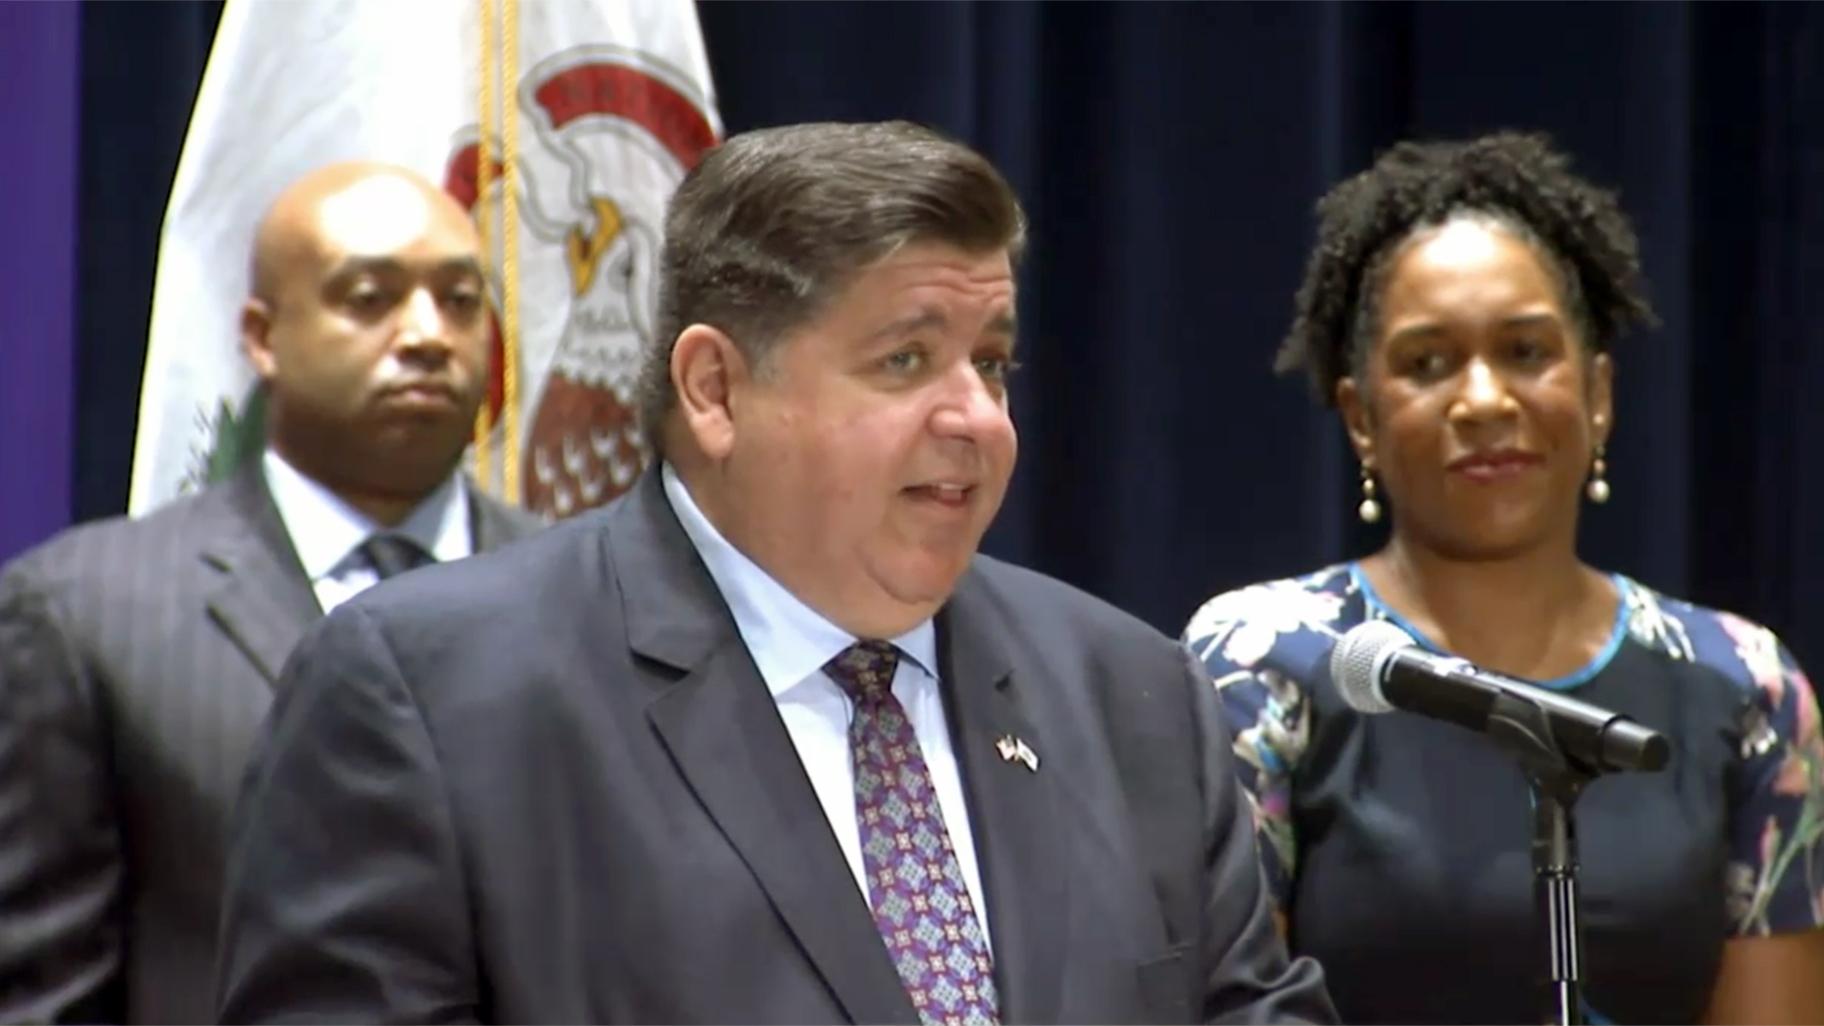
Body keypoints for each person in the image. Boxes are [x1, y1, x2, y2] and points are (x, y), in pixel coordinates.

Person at [213, 121, 1336, 1025]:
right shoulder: (429, 699)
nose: (978, 419)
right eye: (906, 359)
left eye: (991, 362)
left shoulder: (1130, 694)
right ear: (714, 390)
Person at [1183, 131, 1824, 1024]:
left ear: (1598, 393)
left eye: (1526, 352)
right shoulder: (1258, 661)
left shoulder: (1742, 682)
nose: (1484, 400)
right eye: (1428, 363)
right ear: (1361, 418)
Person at [0, 162, 542, 1024]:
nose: (428, 334)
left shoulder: (596, 596)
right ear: (262, 336)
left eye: (461, 300)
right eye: (370, 298)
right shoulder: (82, 616)